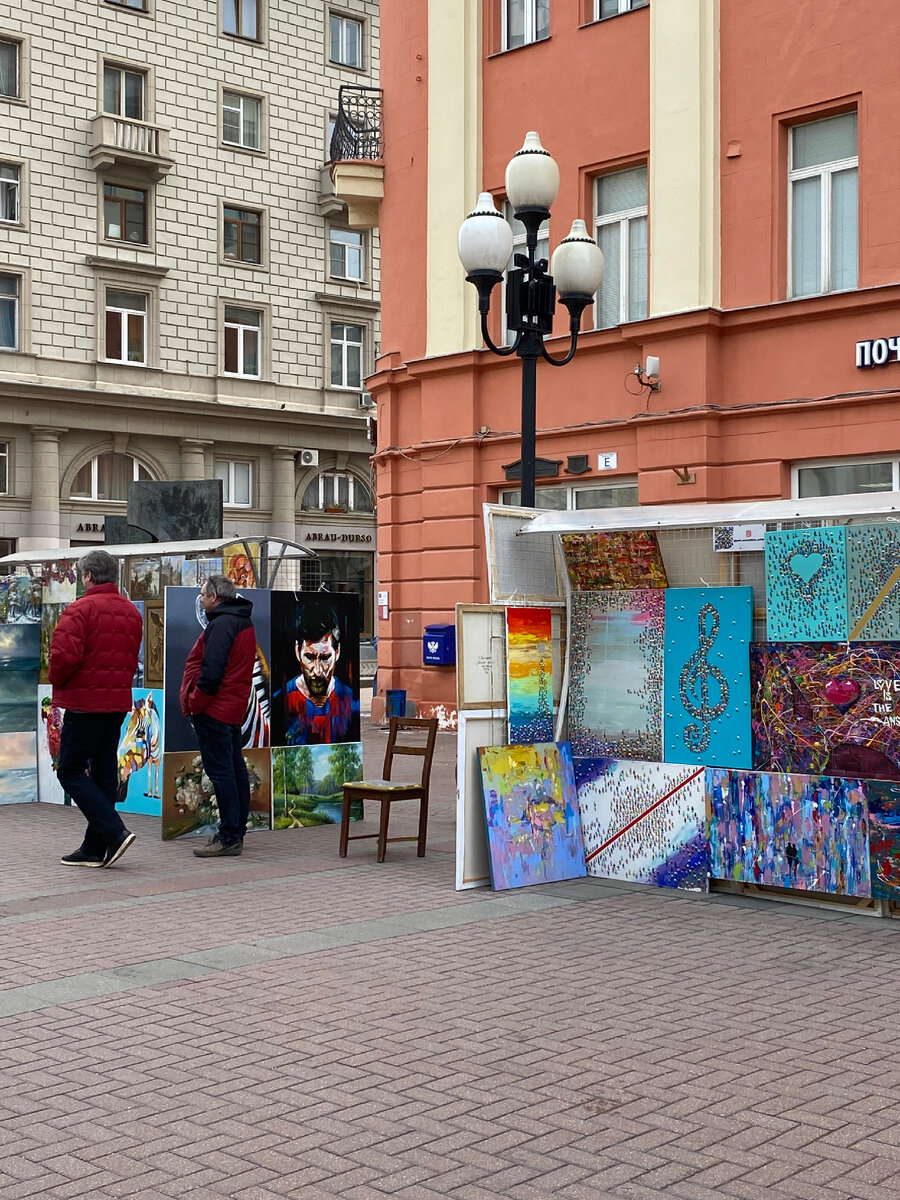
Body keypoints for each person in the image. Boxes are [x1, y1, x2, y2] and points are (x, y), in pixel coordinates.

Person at [49, 549, 143, 868]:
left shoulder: (79, 610)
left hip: (84, 704)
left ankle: (114, 831)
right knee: (103, 772)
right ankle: (93, 846)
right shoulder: (131, 612)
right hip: (114, 703)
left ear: (88, 575)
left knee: (70, 770)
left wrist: (57, 682)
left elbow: (63, 659)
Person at [180, 574, 256, 857]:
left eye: (203, 594)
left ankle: (229, 836)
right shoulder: (241, 621)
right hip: (231, 708)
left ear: (214, 597)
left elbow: (211, 672)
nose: (201, 599)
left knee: (223, 772)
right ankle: (235, 831)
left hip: (215, 709)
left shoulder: (222, 624)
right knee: (234, 770)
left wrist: (195, 702)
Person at [284, 598, 358, 744]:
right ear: (297, 651)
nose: (317, 671)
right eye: (310, 657)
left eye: (325, 658)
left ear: (337, 652)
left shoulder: (350, 699)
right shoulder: (282, 700)